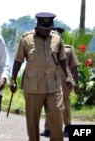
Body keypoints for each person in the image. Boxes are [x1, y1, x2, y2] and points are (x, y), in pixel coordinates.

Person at [10, 12, 73, 141]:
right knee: (32, 120)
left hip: (53, 85)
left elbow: (62, 59)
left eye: (49, 28)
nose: (47, 31)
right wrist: (13, 79)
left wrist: (68, 76)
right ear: (38, 25)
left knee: (56, 115)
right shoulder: (26, 39)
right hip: (33, 86)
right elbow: (18, 60)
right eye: (44, 28)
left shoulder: (57, 38)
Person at [41, 27, 80, 137]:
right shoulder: (45, 50)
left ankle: (68, 125)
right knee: (49, 104)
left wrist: (76, 83)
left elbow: (74, 67)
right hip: (49, 81)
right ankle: (48, 128)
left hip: (64, 82)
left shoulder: (68, 49)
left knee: (64, 104)